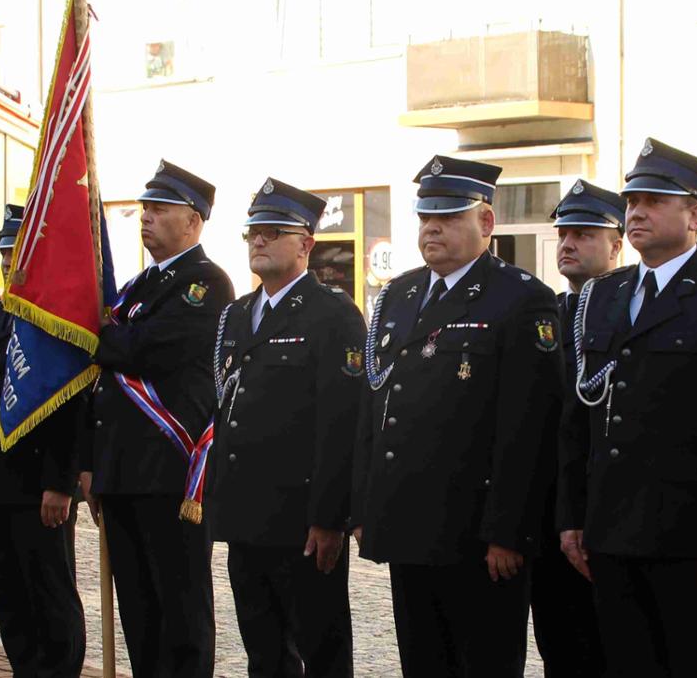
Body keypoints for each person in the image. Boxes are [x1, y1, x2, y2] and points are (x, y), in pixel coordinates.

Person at [555, 139, 697, 675]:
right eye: (633, 200)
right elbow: (580, 419)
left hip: (690, 538)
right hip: (611, 533)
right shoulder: (605, 296)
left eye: (655, 200)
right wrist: (572, 516)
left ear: (694, 214)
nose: (637, 211)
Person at [352, 155, 563, 677]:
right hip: (408, 524)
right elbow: (377, 406)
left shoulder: (519, 298)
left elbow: (527, 427)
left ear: (485, 223)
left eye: (447, 217)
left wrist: (508, 532)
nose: (432, 228)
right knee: (423, 663)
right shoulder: (399, 295)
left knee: (484, 664)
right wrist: (365, 505)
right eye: (425, 217)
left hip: (476, 535)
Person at [205, 179, 362, 678]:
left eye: (273, 233)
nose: (259, 242)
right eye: (253, 232)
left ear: (307, 244)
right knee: (264, 651)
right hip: (246, 516)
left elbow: (340, 422)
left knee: (322, 649)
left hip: (301, 522)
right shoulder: (236, 315)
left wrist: (329, 518)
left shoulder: (332, 314)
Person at [83, 161, 233, 678]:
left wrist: (106, 340)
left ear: (192, 221)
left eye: (160, 209)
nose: (146, 218)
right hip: (124, 468)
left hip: (170, 472)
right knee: (139, 608)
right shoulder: (138, 285)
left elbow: (150, 349)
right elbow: (115, 353)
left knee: (181, 607)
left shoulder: (206, 283)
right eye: (145, 208)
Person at [0, 204, 87, 677]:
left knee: (49, 591)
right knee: (9, 590)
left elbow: (71, 407)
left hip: (37, 483)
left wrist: (60, 483)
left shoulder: (56, 318)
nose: (13, 262)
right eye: (6, 253)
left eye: (22, 252)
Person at [539, 179, 624, 678]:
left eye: (584, 234)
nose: (568, 244)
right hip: (550, 511)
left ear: (616, 245)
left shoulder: (631, 312)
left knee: (610, 646)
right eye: (564, 234)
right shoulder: (545, 314)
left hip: (607, 511)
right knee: (558, 643)